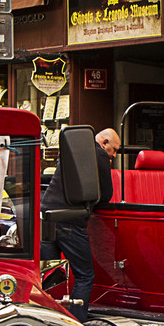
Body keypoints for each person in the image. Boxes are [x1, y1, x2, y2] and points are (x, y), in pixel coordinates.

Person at [40, 127, 117, 316]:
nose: (114, 156)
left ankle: (45, 317)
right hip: (71, 221)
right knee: (85, 275)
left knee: (50, 274)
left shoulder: (72, 151)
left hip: (47, 215)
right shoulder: (99, 156)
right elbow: (106, 195)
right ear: (104, 142)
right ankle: (76, 320)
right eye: (113, 149)